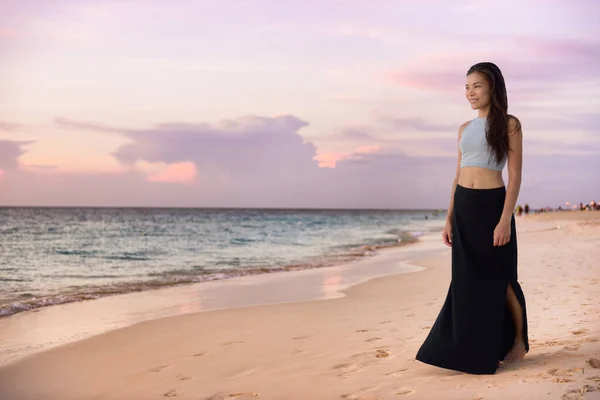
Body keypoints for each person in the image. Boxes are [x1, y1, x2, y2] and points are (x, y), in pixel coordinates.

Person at [415, 62, 529, 375]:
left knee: (500, 277)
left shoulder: (509, 124)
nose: (470, 93)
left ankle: (519, 339)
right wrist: (449, 217)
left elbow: (515, 176)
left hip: (493, 206)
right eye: (467, 87)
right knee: (467, 281)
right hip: (465, 206)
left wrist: (505, 218)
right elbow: (456, 176)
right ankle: (471, 349)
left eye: (476, 85)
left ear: (492, 87)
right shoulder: (464, 129)